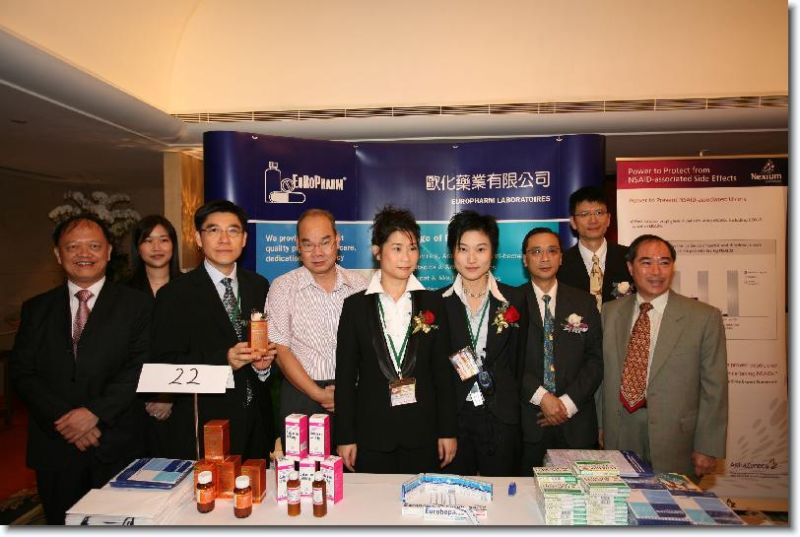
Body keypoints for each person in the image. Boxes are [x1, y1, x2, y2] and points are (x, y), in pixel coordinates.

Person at [10, 214, 151, 524]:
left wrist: (94, 413)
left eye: (94, 246)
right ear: (58, 254)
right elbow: (21, 372)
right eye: (73, 246)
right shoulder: (36, 308)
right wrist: (66, 419)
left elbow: (140, 366)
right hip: (55, 445)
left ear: (108, 252)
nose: (84, 254)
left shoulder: (137, 305)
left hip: (116, 442)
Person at [151, 200, 277, 461]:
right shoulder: (174, 294)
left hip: (257, 421)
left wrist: (263, 367)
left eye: (233, 231)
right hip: (206, 423)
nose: (224, 239)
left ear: (244, 239)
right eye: (213, 230)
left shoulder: (260, 286)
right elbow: (164, 365)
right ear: (198, 238)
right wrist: (224, 361)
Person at [335, 206, 457, 474]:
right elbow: (345, 377)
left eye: (412, 248)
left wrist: (447, 430)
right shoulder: (355, 307)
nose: (406, 257)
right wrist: (345, 436)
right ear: (377, 251)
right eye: (397, 248)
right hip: (372, 434)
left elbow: (443, 373)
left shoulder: (433, 303)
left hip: (423, 433)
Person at [600, 234, 727, 478]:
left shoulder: (704, 317)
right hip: (621, 429)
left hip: (676, 437)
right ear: (630, 267)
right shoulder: (610, 312)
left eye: (664, 262)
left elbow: (715, 386)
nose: (656, 271)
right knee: (622, 498)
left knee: (674, 500)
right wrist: (601, 424)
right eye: (646, 262)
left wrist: (708, 446)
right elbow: (603, 373)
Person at [265, 208, 367, 454]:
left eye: (325, 242)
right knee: (302, 473)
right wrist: (319, 394)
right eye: (308, 244)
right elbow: (281, 350)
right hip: (302, 396)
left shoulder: (360, 285)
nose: (317, 252)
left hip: (354, 394)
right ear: (297, 245)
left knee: (358, 471)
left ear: (337, 241)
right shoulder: (282, 287)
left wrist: (347, 393)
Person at [439, 210, 523, 477]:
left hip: (501, 416)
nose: (472, 258)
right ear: (452, 253)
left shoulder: (514, 300)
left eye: (480, 249)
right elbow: (437, 372)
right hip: (455, 419)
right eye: (463, 249)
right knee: (455, 493)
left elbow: (519, 362)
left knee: (502, 495)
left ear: (493, 253)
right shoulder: (438, 303)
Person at [518, 227, 603, 473]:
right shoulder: (510, 302)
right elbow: (507, 361)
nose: (545, 258)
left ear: (561, 257)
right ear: (525, 259)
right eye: (536, 252)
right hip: (528, 423)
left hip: (576, 422)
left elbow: (595, 360)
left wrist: (566, 404)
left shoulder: (584, 302)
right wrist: (542, 397)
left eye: (552, 251)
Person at [126, 215, 182, 457]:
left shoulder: (190, 288)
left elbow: (193, 346)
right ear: (137, 247)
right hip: (132, 400)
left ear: (173, 245)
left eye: (164, 240)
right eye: (148, 240)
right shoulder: (121, 293)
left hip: (182, 398)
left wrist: (167, 395)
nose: (156, 247)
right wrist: (153, 395)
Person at [557, 186, 634, 309]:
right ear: (573, 222)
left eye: (599, 213)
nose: (593, 220)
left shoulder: (630, 257)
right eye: (584, 214)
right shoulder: (560, 263)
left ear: (608, 219)